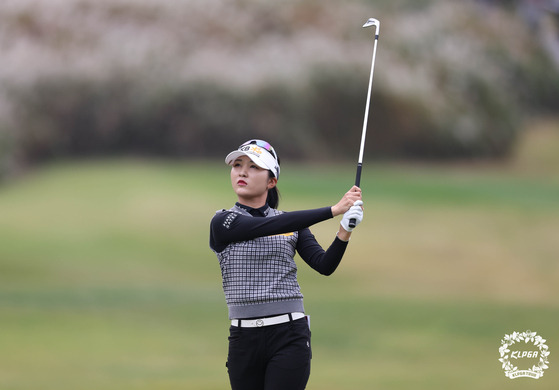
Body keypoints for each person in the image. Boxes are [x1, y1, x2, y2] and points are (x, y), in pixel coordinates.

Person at [209, 139, 364, 390]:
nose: (243, 172)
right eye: (238, 165)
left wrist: (344, 230)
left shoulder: (292, 225)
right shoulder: (223, 222)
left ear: (271, 181)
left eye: (254, 167)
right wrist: (334, 209)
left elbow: (324, 265)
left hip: (289, 334)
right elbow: (263, 226)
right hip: (243, 338)